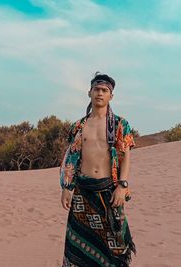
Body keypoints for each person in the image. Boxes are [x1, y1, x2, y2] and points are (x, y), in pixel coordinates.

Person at [60, 72, 137, 267]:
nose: (100, 93)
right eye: (96, 89)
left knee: (116, 245)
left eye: (104, 90)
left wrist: (123, 185)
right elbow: (71, 160)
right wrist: (67, 187)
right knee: (78, 245)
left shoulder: (120, 124)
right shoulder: (78, 126)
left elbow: (125, 156)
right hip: (82, 192)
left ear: (111, 95)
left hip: (109, 191)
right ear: (89, 93)